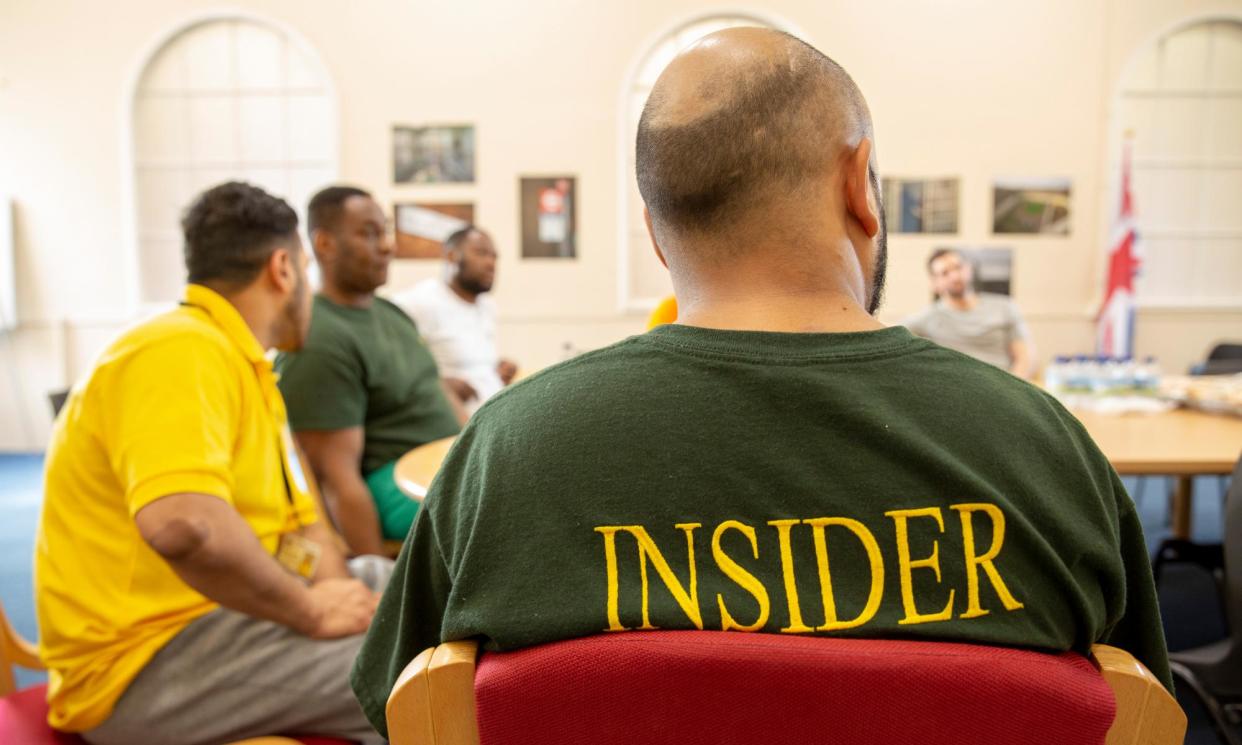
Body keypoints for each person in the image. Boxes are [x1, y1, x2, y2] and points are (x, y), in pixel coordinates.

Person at [351, 29, 1170, 738]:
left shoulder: (505, 451)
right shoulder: (1044, 449)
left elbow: (408, 707)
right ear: (860, 185)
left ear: (658, 233)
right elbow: (1138, 710)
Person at [35, 182, 390, 745]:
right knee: (417, 677)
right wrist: (312, 613)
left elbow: (303, 520)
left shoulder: (247, 368)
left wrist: (338, 592)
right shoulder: (179, 350)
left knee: (411, 588)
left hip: (226, 618)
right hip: (144, 665)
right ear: (283, 269)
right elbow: (184, 527)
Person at [277, 186, 462, 556]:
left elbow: (434, 387)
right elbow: (333, 480)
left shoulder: (391, 313)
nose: (387, 246)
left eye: (386, 231)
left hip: (451, 463)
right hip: (397, 483)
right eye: (369, 233)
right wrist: (378, 586)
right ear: (325, 245)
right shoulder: (319, 337)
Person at [392, 226, 518, 414]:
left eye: (494, 256)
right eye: (481, 253)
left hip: (492, 420)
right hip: (448, 429)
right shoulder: (418, 302)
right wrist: (437, 385)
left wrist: (495, 372)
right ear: (451, 256)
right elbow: (389, 368)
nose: (491, 263)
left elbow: (472, 363)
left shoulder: (487, 306)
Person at [903, 248, 1034, 379]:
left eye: (958, 267)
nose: (955, 276)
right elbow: (893, 335)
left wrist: (1012, 391)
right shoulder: (927, 318)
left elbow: (1024, 358)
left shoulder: (1005, 307)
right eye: (945, 273)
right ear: (934, 284)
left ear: (968, 269)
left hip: (1005, 385)